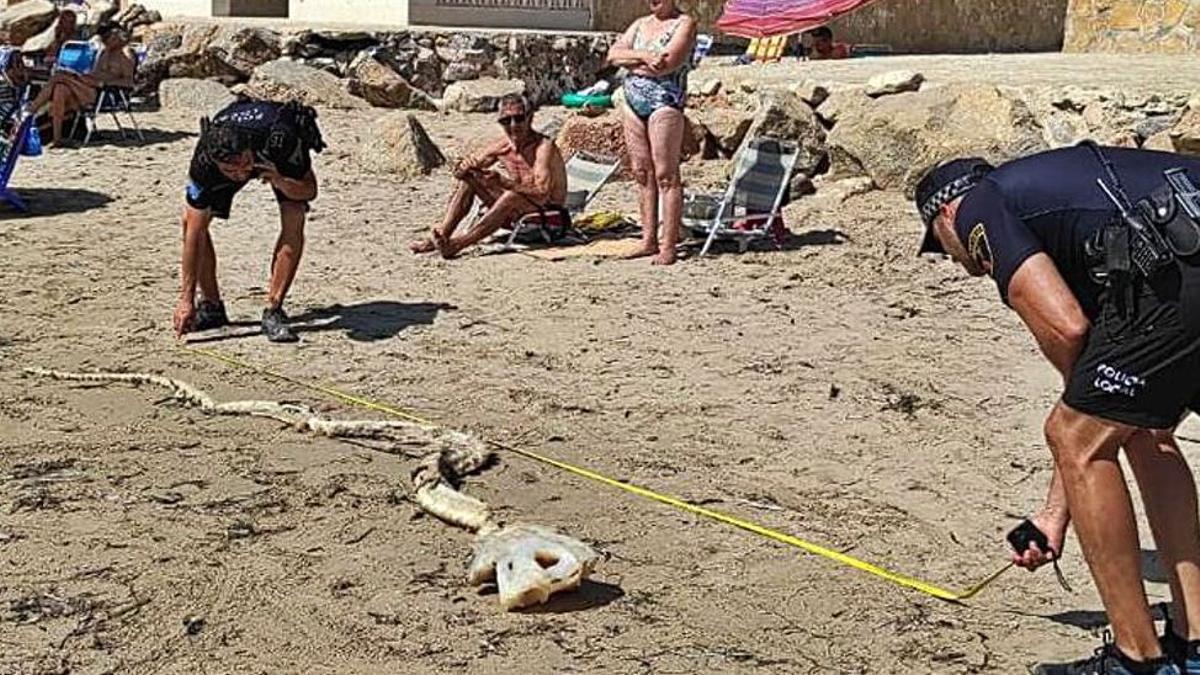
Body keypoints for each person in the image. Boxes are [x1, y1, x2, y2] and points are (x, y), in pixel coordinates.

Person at [914, 145, 1200, 675]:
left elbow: (1068, 329)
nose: (958, 265)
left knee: (1075, 436)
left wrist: (1057, 503)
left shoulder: (980, 203)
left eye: (941, 246)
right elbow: (1115, 404)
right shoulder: (1070, 199)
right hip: (1181, 246)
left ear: (945, 214)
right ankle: (1195, 641)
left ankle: (1137, 660)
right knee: (1145, 429)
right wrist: (1055, 513)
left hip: (1181, 262)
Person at [173, 99, 326, 343]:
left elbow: (309, 190)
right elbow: (194, 230)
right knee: (191, 220)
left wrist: (280, 180)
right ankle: (211, 306)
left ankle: (274, 309)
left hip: (272, 155)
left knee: (294, 212)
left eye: (244, 165)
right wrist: (185, 300)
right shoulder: (204, 160)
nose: (241, 174)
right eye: (231, 171)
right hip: (237, 152)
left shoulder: (280, 139)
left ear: (248, 149)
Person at [409, 93, 567, 259]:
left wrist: (503, 182)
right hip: (518, 207)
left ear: (530, 117)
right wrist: (463, 169)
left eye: (518, 119)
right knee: (469, 181)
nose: (513, 126)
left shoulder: (543, 148)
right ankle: (442, 234)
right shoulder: (503, 147)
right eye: (506, 121)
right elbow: (468, 167)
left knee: (511, 196)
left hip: (547, 211)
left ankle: (459, 244)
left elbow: (542, 192)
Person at [606, 0, 696, 265]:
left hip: (664, 100)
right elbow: (613, 55)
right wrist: (645, 57)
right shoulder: (640, 24)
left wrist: (631, 59)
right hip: (633, 98)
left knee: (666, 174)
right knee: (641, 172)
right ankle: (648, 240)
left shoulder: (684, 23)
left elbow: (668, 63)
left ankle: (668, 244)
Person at [28, 22, 135, 147]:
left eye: (109, 36)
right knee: (60, 89)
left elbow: (129, 82)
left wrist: (103, 83)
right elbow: (95, 73)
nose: (106, 40)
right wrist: (85, 77)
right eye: (105, 37)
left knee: (59, 76)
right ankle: (57, 138)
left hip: (103, 93)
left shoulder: (125, 54)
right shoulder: (104, 52)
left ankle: (30, 111)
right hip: (88, 88)